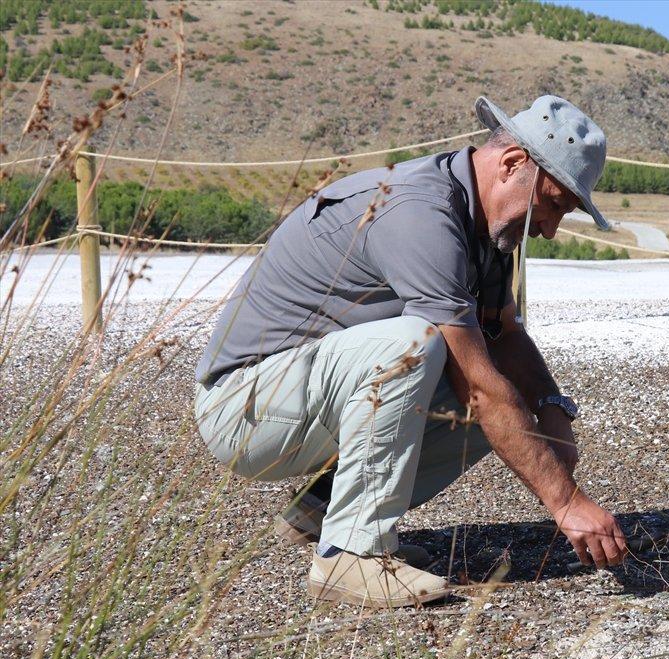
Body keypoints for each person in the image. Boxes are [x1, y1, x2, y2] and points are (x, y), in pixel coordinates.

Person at [193, 95, 628, 608]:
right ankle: (350, 556)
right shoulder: (421, 212)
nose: (551, 228)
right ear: (513, 165)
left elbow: (504, 335)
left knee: (510, 405)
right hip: (243, 410)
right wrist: (566, 501)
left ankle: (318, 511)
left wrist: (552, 409)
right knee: (421, 346)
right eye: (553, 203)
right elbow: (481, 389)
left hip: (301, 402)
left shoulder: (483, 227)